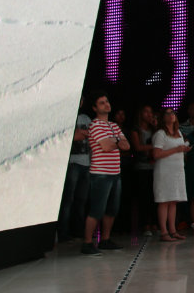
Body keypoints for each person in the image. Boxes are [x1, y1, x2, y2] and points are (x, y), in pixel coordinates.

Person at [81, 93, 130, 255]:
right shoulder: (94, 125)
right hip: (100, 174)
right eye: (102, 103)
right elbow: (107, 147)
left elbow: (127, 146)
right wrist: (117, 141)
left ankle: (105, 240)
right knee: (96, 209)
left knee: (112, 209)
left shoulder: (114, 126)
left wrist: (114, 141)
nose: (106, 104)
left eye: (107, 101)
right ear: (95, 108)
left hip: (115, 173)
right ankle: (87, 242)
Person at [151, 108, 191, 242]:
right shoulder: (161, 134)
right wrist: (176, 149)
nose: (171, 115)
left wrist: (183, 150)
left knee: (173, 201)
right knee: (164, 201)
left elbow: (179, 149)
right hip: (164, 171)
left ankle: (173, 230)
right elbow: (156, 154)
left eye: (173, 113)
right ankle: (163, 231)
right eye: (168, 113)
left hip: (177, 171)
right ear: (163, 117)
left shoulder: (179, 132)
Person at [56, 94, 91, 244]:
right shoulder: (65, 117)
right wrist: (81, 134)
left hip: (86, 163)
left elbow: (92, 137)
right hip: (71, 163)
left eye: (81, 99)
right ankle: (63, 232)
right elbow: (71, 137)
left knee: (81, 200)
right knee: (68, 200)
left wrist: (81, 134)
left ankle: (78, 231)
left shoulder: (86, 119)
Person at [128, 104, 158, 236]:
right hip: (142, 167)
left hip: (156, 167)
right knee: (144, 197)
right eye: (146, 112)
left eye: (150, 112)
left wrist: (156, 126)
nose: (149, 114)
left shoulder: (154, 129)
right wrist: (153, 146)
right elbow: (138, 147)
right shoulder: (136, 130)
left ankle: (155, 224)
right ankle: (145, 225)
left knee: (155, 197)